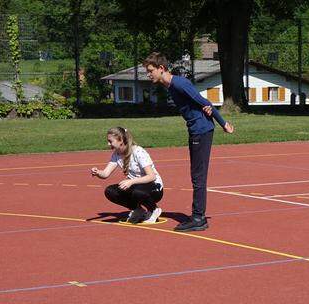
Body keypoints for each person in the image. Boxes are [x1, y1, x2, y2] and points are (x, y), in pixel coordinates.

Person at [142, 52, 234, 232]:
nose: (148, 74)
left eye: (150, 70)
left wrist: (224, 124)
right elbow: (199, 105)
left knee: (198, 177)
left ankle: (198, 218)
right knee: (195, 176)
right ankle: (197, 216)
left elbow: (204, 101)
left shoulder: (180, 83)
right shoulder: (170, 86)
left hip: (202, 130)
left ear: (161, 68)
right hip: (195, 129)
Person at [91, 126, 164, 224]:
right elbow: (105, 174)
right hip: (136, 187)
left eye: (110, 141)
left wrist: (131, 181)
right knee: (110, 191)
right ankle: (138, 210)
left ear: (120, 140)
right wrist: (97, 172)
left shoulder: (138, 152)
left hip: (154, 188)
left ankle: (154, 209)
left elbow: (151, 176)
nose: (108, 144)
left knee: (136, 191)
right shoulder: (116, 154)